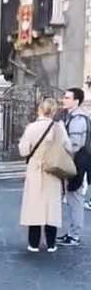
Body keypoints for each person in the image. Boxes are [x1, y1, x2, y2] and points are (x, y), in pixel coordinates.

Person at [19, 97, 72, 253]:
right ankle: (51, 244)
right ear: (54, 111)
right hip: (53, 171)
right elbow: (69, 147)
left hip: (35, 170)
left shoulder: (31, 128)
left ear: (40, 109)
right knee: (52, 207)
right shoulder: (59, 128)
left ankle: (33, 244)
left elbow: (23, 151)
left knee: (34, 206)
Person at [56, 88, 89, 246]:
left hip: (77, 163)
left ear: (76, 101)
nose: (64, 100)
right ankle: (71, 232)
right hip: (74, 163)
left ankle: (74, 235)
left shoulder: (78, 119)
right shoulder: (71, 116)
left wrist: (61, 135)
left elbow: (75, 144)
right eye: (64, 97)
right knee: (71, 198)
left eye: (67, 97)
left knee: (75, 199)